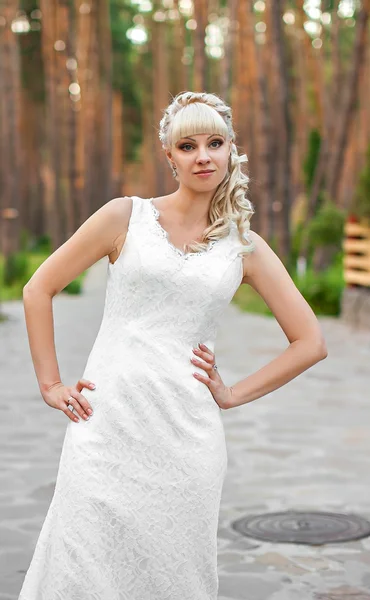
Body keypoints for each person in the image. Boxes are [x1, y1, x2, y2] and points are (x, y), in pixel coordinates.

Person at [18, 90, 328, 600]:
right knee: (84, 561)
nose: (203, 156)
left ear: (230, 150)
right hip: (107, 424)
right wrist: (50, 383)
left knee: (175, 573)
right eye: (188, 145)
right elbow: (38, 289)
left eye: (214, 143)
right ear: (170, 156)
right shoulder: (125, 218)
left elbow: (310, 341)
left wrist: (232, 394)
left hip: (187, 438)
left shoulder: (243, 245)